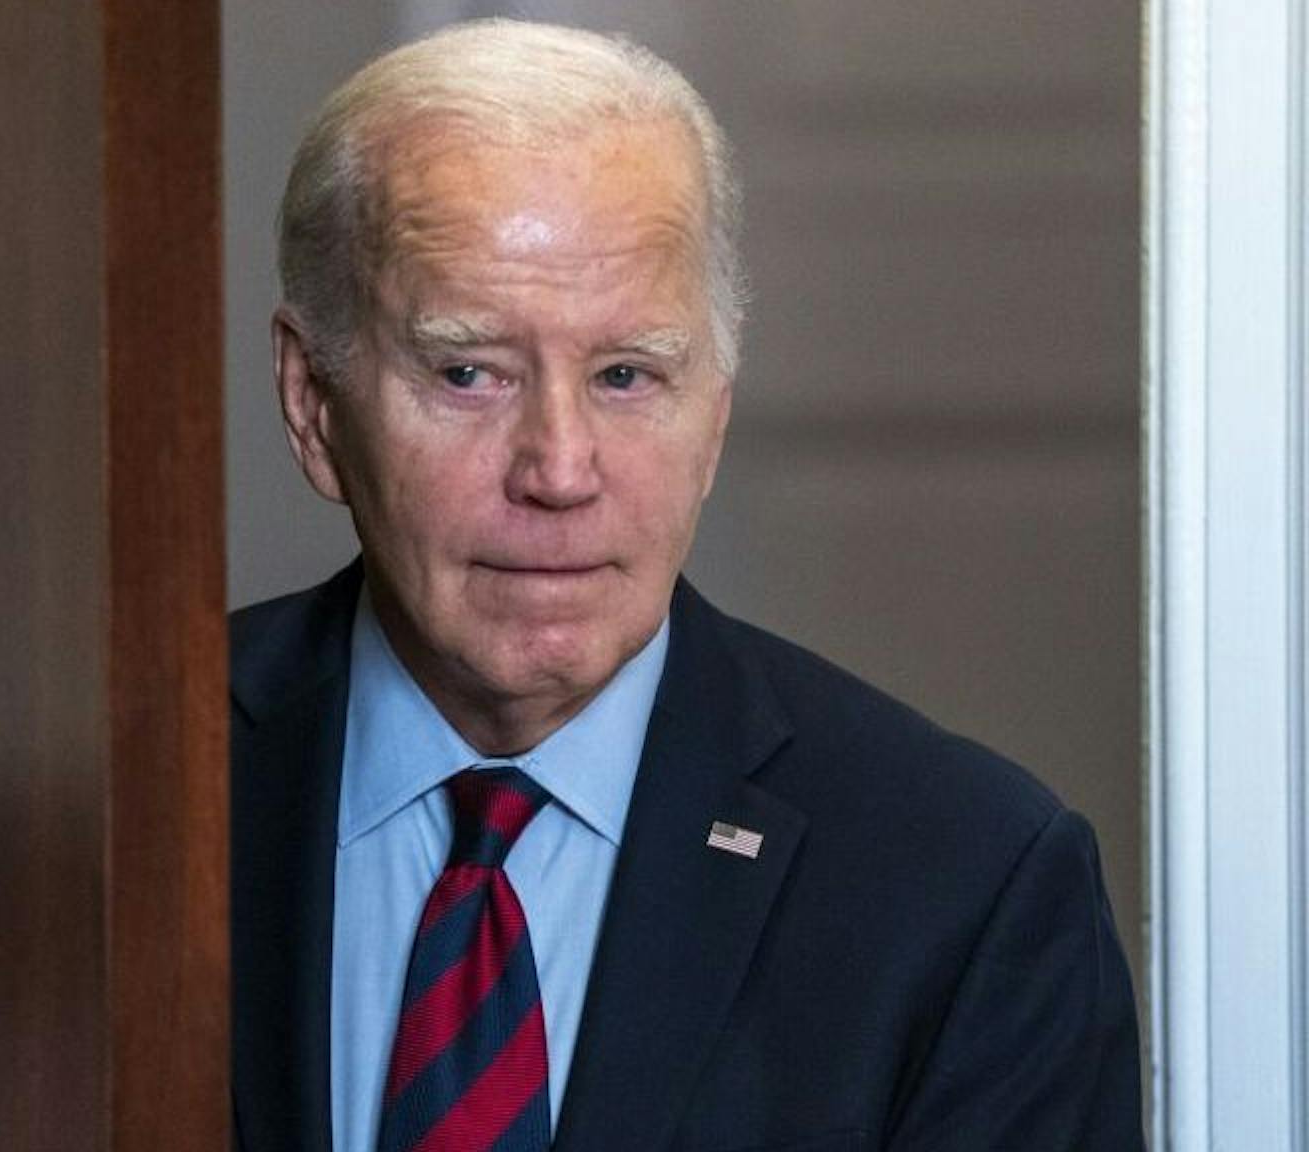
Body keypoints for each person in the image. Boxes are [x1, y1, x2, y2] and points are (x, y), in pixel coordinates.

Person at [230, 18, 1142, 1152]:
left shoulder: (965, 887)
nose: (558, 470)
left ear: (711, 418)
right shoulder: (102, 796)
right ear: (313, 406)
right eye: (467, 371)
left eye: (625, 374)